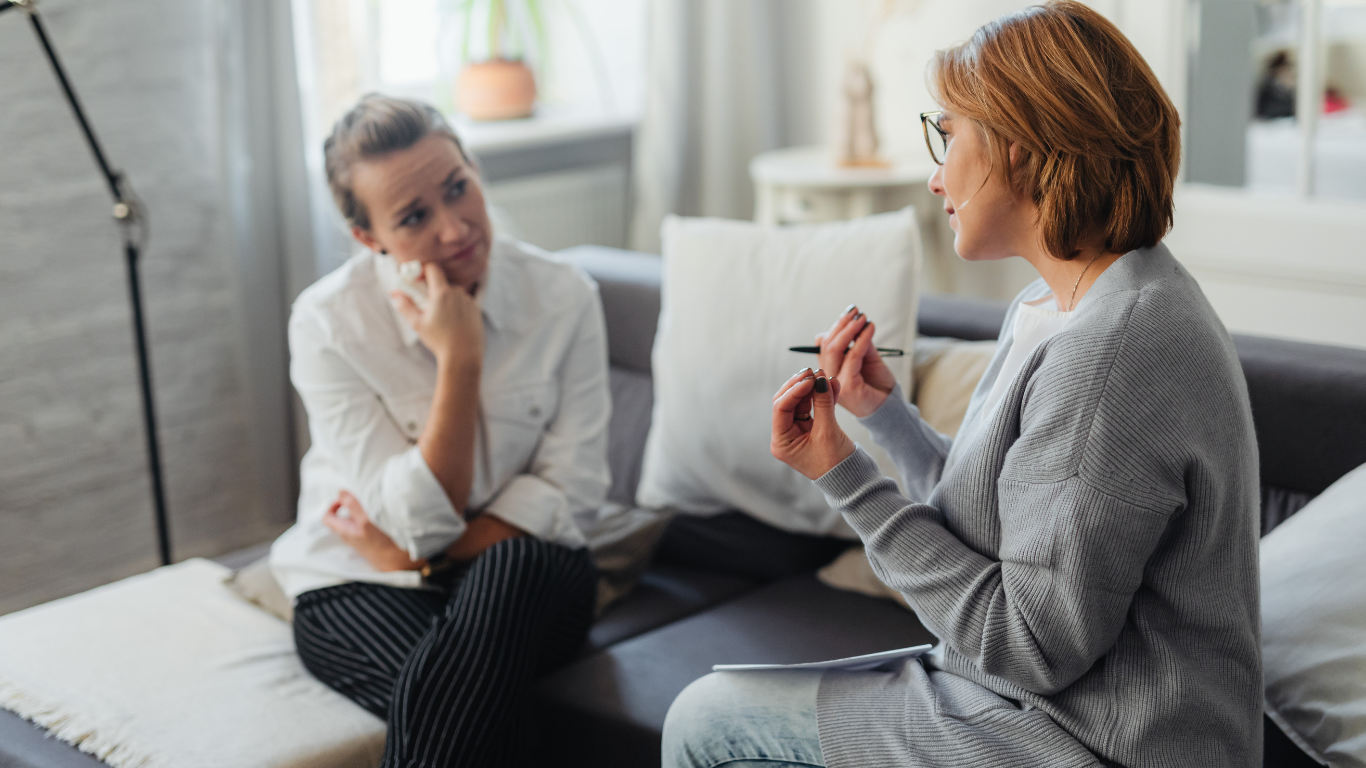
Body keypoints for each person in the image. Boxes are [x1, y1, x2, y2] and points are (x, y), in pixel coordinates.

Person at [662, 3, 1261, 767]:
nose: (935, 174)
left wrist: (843, 476)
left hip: (1094, 742)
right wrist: (888, 417)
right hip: (1036, 711)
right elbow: (1010, 525)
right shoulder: (1065, 304)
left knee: (707, 722)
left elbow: (1031, 645)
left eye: (947, 135)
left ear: (1021, 148)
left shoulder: (1110, 353)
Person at [268, 94, 611, 767]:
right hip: (358, 580)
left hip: (530, 575)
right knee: (476, 711)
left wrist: (419, 559)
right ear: (369, 238)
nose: (456, 230)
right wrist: (461, 361)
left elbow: (574, 492)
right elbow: (420, 520)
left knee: (515, 565)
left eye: (458, 187)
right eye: (414, 217)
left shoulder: (564, 296)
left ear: (474, 167)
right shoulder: (327, 323)